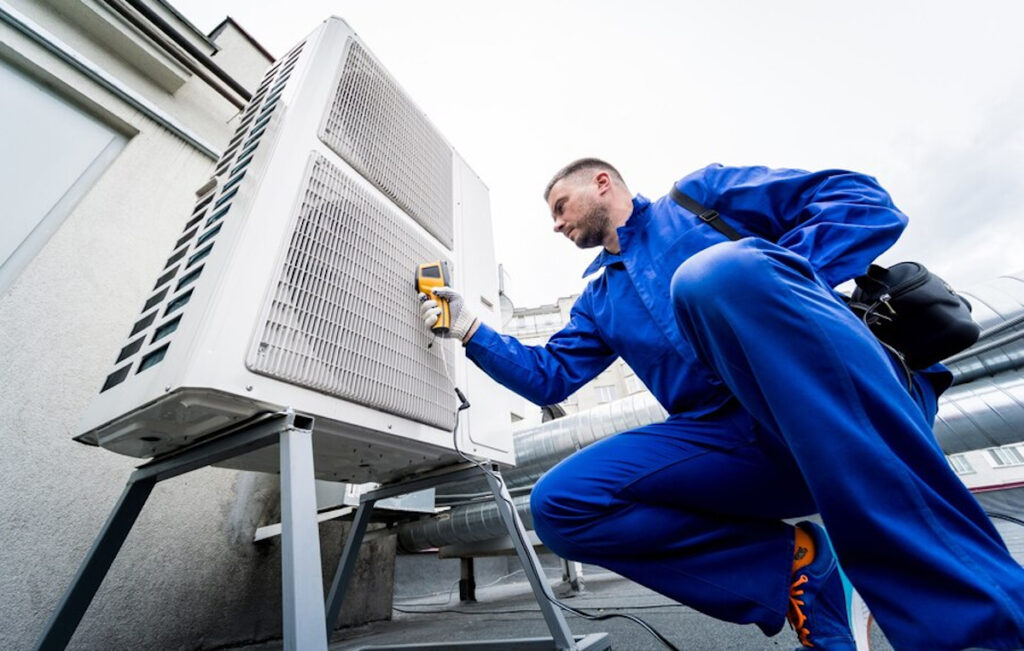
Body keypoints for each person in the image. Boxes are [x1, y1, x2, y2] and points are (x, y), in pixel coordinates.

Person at [418, 159, 1024, 650]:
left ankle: (981, 637)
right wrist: (471, 329)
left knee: (716, 274)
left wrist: (776, 282)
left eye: (559, 208)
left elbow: (865, 202)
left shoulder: (700, 199)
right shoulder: (600, 298)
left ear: (603, 183)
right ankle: (790, 568)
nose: (555, 225)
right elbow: (549, 378)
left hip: (826, 387)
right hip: (737, 441)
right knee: (563, 504)